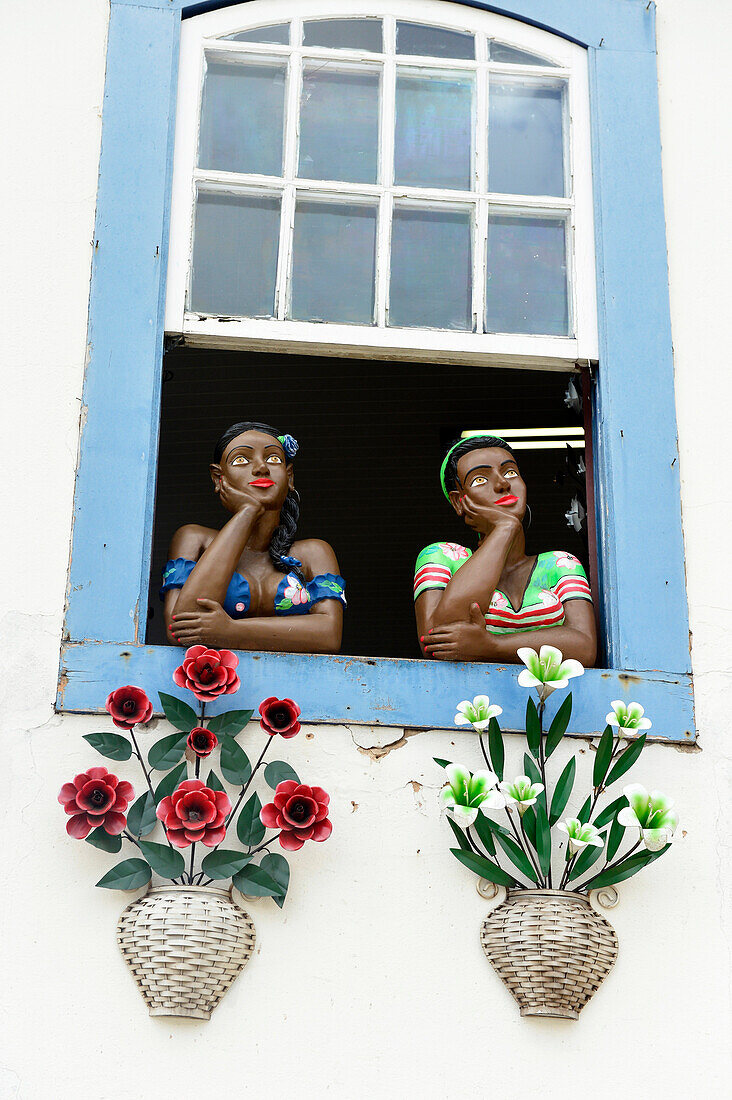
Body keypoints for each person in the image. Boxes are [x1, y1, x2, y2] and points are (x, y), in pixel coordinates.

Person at [414, 433, 596, 664]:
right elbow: (437, 641)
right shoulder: (442, 556)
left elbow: (584, 646)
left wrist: (492, 645)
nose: (502, 484)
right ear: (459, 501)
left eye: (510, 472)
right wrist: (505, 527)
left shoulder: (561, 564)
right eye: (480, 479)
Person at [163, 421, 345, 653]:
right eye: (241, 460)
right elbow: (181, 628)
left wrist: (230, 631)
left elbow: (329, 635)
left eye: (273, 459)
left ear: (289, 477)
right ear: (219, 478)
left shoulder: (314, 553)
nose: (261, 468)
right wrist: (247, 512)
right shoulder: (194, 539)